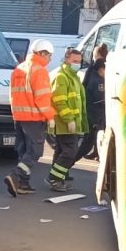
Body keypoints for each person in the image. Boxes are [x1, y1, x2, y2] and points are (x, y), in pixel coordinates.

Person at [5, 39, 56, 196]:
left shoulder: (19, 68)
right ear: (42, 53)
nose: (50, 60)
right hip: (34, 118)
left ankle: (23, 184)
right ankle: (16, 176)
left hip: (20, 117)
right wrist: (50, 116)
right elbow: (42, 98)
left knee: (24, 150)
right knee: (34, 152)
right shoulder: (39, 70)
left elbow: (12, 95)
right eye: (49, 56)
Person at [47, 47, 89, 192]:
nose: (77, 63)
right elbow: (59, 101)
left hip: (71, 122)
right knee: (70, 152)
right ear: (66, 60)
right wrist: (69, 119)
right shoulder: (62, 76)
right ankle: (55, 177)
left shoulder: (73, 76)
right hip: (65, 123)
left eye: (79, 61)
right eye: (74, 61)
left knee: (61, 151)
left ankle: (60, 175)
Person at [75, 42, 107, 162]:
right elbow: (99, 95)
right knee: (87, 143)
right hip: (94, 112)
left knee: (91, 139)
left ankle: (96, 153)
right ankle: (67, 165)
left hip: (93, 111)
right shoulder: (97, 78)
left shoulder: (93, 71)